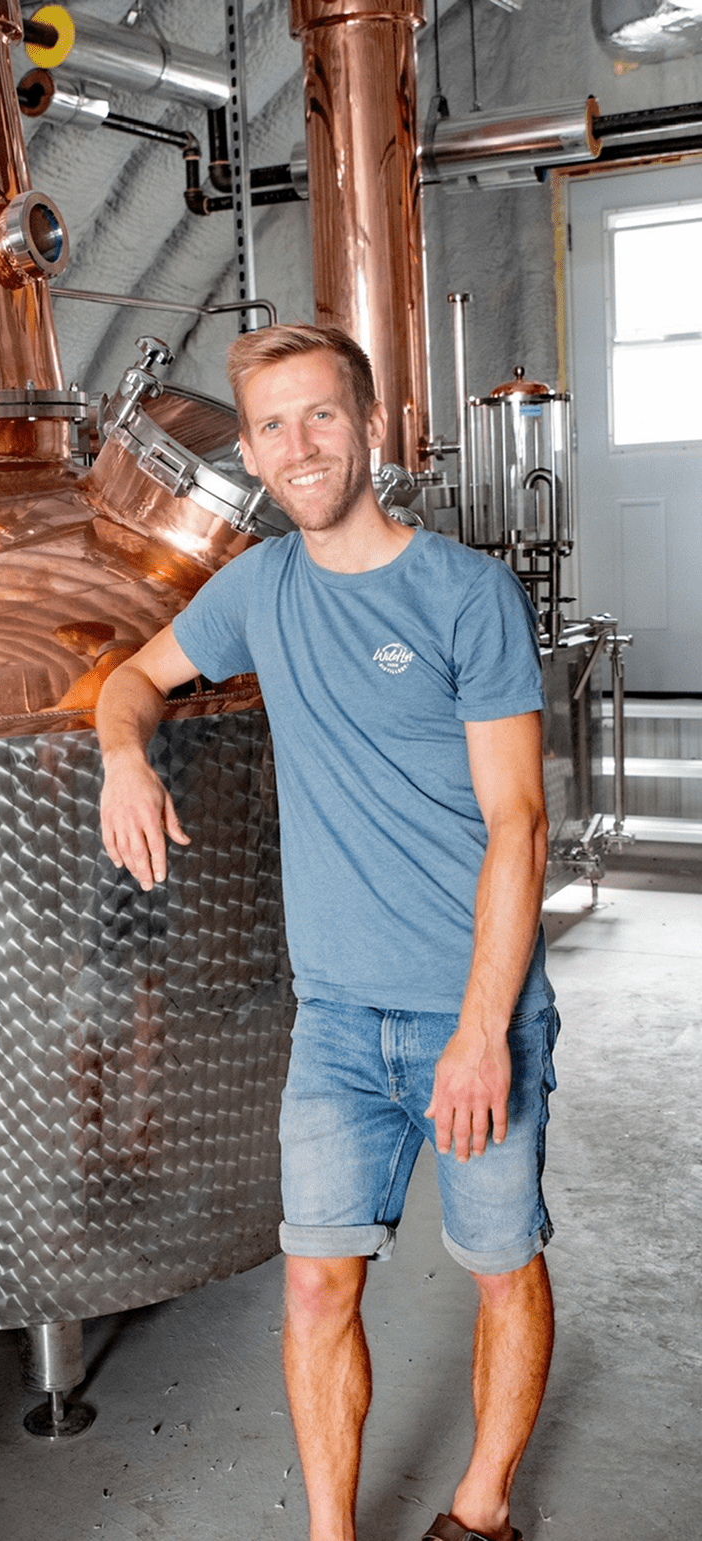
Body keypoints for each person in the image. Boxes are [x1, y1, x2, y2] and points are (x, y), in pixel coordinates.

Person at [95, 325, 555, 1541]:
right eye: (272, 426)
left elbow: (518, 825)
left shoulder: (465, 592)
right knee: (312, 1283)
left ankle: (482, 1507)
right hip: (338, 1020)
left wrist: (481, 1030)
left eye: (321, 416)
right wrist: (123, 758)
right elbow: (129, 678)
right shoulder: (258, 589)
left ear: (373, 424)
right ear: (247, 449)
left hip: (472, 1004)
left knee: (500, 1261)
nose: (298, 446)